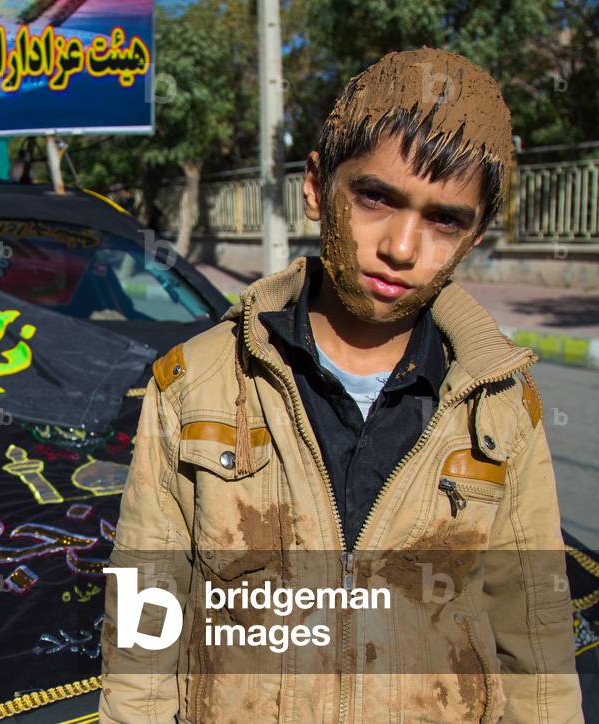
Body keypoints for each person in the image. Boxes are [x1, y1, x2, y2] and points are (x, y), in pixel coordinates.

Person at [101, 48, 583, 722]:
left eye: (445, 219)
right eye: (377, 197)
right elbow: (143, 623)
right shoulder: (196, 383)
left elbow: (535, 644)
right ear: (317, 184)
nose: (403, 246)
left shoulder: (500, 407)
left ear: (473, 237)